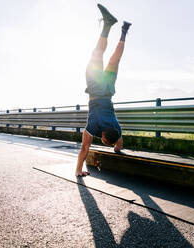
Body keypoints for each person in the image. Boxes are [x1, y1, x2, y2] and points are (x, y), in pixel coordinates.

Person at [75, 4, 131, 177]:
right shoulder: (95, 125)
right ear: (104, 135)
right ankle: (107, 24)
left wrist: (117, 148)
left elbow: (119, 143)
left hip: (108, 90)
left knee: (115, 60)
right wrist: (78, 170)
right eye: (104, 141)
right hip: (96, 88)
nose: (103, 141)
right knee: (97, 54)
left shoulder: (117, 130)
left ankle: (124, 30)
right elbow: (85, 147)